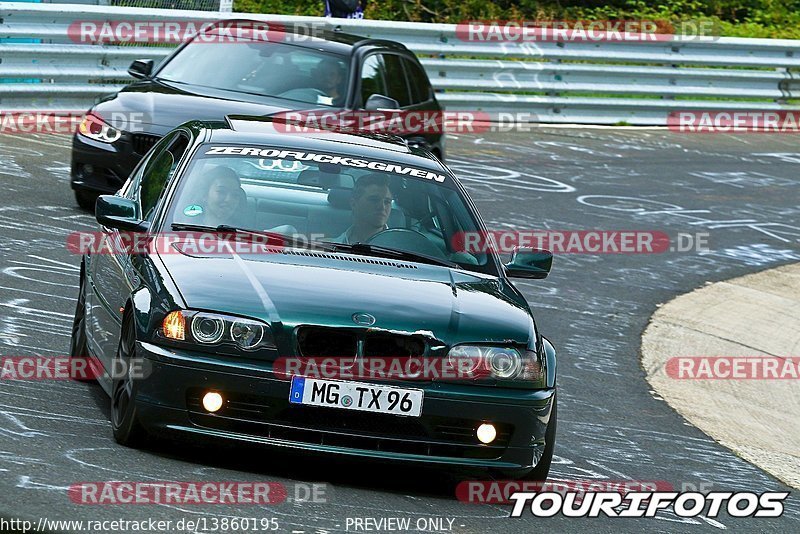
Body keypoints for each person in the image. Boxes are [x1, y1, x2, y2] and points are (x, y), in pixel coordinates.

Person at [332, 173, 393, 244]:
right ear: (354, 204)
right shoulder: (329, 246)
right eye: (374, 200)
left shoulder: (401, 249)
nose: (382, 207)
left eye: (387, 202)